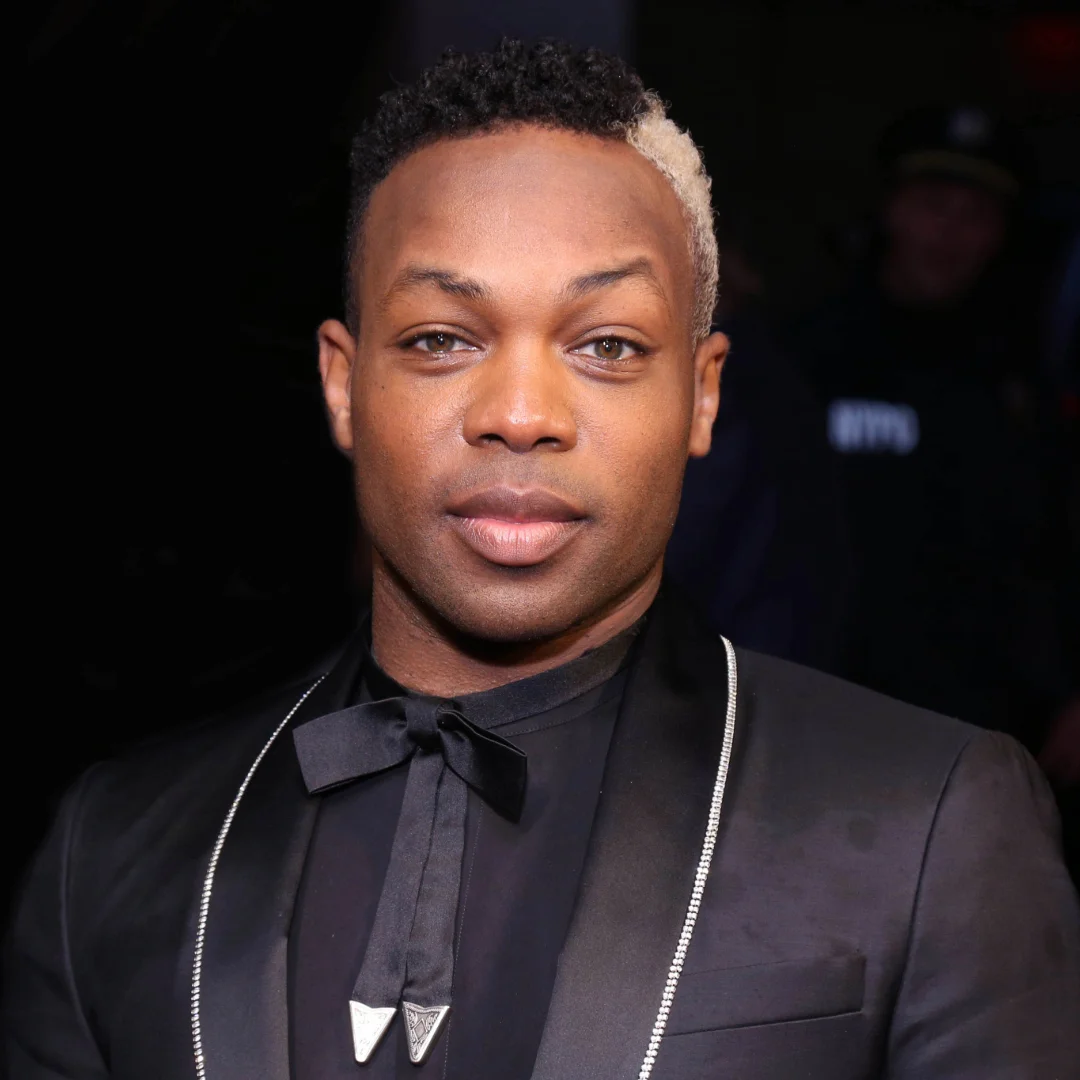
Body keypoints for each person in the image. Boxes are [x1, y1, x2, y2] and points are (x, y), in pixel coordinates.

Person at [5, 43, 1078, 1080]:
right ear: (344, 384)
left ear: (702, 394)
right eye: (441, 338)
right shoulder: (116, 847)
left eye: (606, 344)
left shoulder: (933, 821)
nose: (520, 415)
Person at [794, 106, 1072, 749]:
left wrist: (1063, 689)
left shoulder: (1021, 377)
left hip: (983, 725)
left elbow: (1049, 546)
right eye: (932, 205)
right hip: (819, 710)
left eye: (975, 216)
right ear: (892, 210)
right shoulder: (810, 358)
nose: (949, 233)